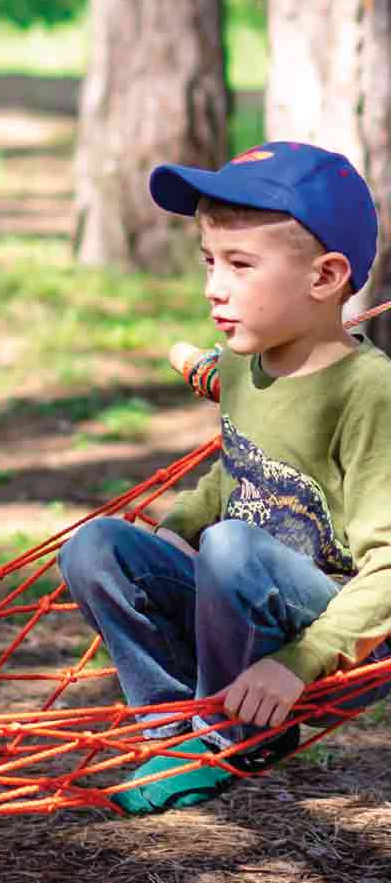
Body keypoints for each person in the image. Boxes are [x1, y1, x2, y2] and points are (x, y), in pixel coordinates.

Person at [59, 141, 391, 815]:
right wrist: (178, 528)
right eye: (210, 262)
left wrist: (299, 662)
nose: (214, 287)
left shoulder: (371, 393)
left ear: (325, 278)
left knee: (232, 544)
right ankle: (171, 723)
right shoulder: (247, 362)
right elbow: (239, 470)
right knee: (94, 546)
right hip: (239, 594)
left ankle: (227, 735)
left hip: (333, 629)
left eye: (240, 265)